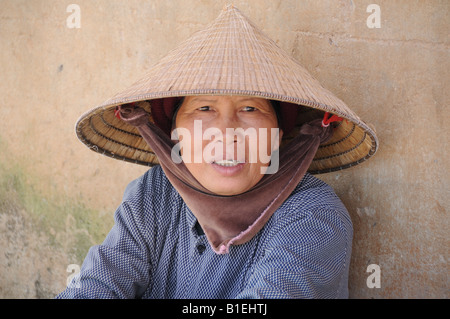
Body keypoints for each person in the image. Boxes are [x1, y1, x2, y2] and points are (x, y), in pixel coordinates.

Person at [57, 5, 377, 299]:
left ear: (277, 138)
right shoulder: (154, 194)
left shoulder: (312, 214)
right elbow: (96, 288)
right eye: (205, 108)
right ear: (176, 135)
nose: (227, 132)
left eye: (250, 108)